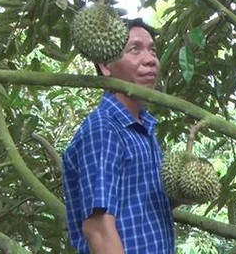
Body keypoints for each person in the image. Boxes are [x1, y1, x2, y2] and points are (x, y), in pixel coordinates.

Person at [62, 19, 175, 254]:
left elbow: (137, 206)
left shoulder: (143, 128)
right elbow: (98, 227)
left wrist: (181, 193)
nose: (150, 59)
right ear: (105, 65)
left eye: (152, 50)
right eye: (135, 49)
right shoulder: (104, 129)